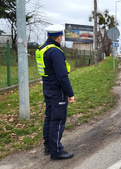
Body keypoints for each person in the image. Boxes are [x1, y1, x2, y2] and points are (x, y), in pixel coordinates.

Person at [36, 24, 75, 160]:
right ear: (59, 37)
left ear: (48, 36)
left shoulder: (43, 49)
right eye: (61, 36)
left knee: (50, 118)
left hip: (47, 88)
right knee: (57, 120)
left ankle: (48, 146)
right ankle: (56, 151)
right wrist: (70, 93)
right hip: (57, 90)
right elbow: (62, 76)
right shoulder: (55, 52)